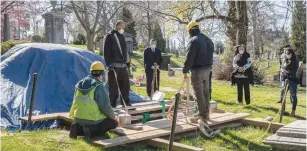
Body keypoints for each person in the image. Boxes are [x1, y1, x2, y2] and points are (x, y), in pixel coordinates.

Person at [69, 61, 118, 139]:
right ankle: (90, 130)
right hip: (91, 119)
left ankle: (77, 129)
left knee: (102, 119)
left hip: (77, 118)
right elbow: (105, 107)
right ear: (101, 74)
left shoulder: (79, 83)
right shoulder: (98, 86)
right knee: (112, 123)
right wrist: (114, 117)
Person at [183, 21, 214, 123]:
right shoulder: (209, 40)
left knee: (198, 93)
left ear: (190, 30)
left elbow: (190, 57)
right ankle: (206, 115)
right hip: (208, 69)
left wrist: (185, 70)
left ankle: (202, 116)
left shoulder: (194, 40)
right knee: (206, 92)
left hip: (197, 70)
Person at [103, 20, 132, 108]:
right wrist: (108, 64)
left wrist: (127, 63)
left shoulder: (122, 37)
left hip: (123, 66)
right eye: (123, 26)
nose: (123, 28)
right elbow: (106, 51)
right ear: (118, 26)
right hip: (113, 66)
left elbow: (125, 51)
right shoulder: (110, 36)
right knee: (114, 88)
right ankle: (112, 105)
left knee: (125, 85)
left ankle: (126, 103)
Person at [279, 47, 299, 117]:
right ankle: (283, 109)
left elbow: (295, 71)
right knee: (282, 94)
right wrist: (282, 71)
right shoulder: (285, 60)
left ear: (291, 53)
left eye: (288, 53)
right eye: (286, 53)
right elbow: (282, 67)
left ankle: (293, 111)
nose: (287, 55)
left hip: (293, 80)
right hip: (285, 79)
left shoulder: (295, 61)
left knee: (293, 95)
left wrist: (287, 73)